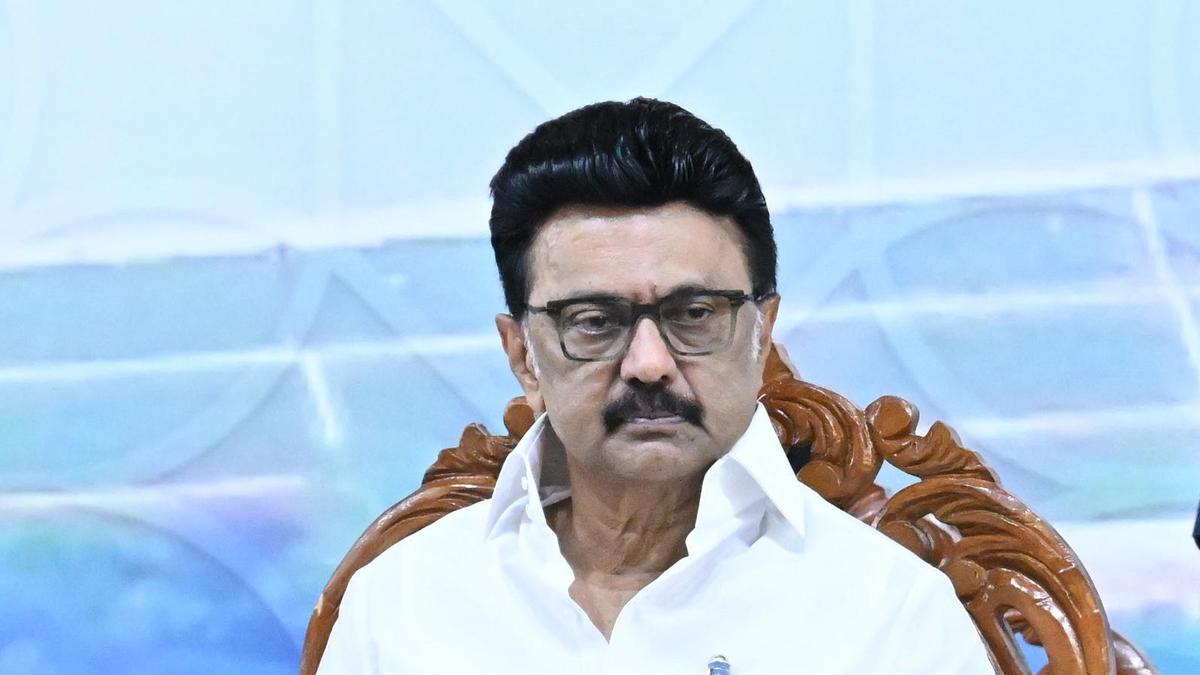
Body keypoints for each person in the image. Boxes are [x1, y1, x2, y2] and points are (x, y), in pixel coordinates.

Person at [316, 98, 994, 674]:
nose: (648, 363)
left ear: (762, 334)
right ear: (522, 355)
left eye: (694, 314)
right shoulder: (404, 604)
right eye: (594, 321)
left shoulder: (890, 613)